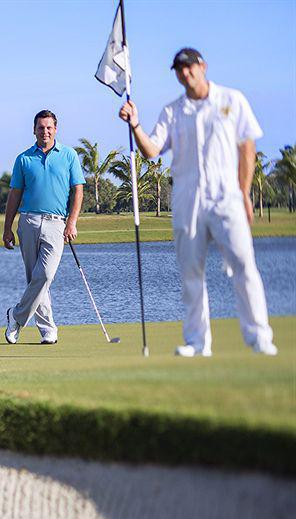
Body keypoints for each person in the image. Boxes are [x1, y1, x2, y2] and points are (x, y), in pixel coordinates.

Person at [119, 48, 276, 356]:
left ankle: (259, 336)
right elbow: (152, 150)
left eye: (189, 67)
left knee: (244, 263)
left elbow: (247, 148)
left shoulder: (232, 99)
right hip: (187, 197)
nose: (185, 74)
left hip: (226, 195)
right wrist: (135, 124)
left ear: (202, 66)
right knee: (191, 271)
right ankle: (197, 341)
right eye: (179, 70)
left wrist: (244, 193)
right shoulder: (172, 111)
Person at [3, 110, 85, 345]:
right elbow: (14, 194)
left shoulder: (69, 155)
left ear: (55, 129)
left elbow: (77, 190)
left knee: (45, 275)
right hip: (28, 221)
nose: (45, 131)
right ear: (34, 130)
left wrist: (72, 222)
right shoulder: (23, 159)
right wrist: (7, 228)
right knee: (35, 279)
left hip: (56, 223)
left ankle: (16, 316)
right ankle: (48, 329)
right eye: (41, 127)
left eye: (49, 127)